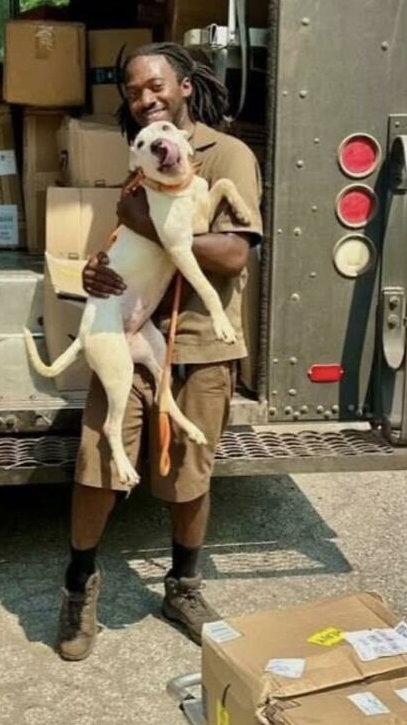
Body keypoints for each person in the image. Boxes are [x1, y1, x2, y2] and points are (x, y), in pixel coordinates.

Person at [57, 42, 263, 660]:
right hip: (127, 332)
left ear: (185, 89)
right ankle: (78, 583)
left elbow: (232, 253)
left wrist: (146, 223)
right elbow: (125, 246)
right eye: (132, 91)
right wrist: (95, 272)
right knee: (97, 463)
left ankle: (184, 587)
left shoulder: (228, 155)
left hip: (199, 342)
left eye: (155, 87)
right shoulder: (142, 159)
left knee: (187, 476)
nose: (144, 100)